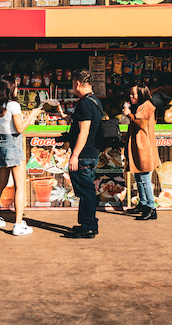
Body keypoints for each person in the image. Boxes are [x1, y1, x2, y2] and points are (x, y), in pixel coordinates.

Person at [0, 75, 41, 236]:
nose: (18, 89)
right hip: (13, 145)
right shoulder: (14, 105)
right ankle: (18, 225)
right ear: (11, 89)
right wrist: (32, 115)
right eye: (16, 86)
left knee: (0, 184)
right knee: (19, 186)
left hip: (1, 145)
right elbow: (20, 128)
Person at [57, 69, 103, 238]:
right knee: (86, 191)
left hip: (84, 155)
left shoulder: (84, 104)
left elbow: (84, 131)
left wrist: (75, 155)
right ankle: (87, 223)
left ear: (77, 83)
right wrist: (63, 116)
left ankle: (88, 227)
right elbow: (81, 123)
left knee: (86, 192)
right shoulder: (94, 101)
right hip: (91, 153)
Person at [123, 83, 160, 220]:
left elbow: (141, 124)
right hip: (139, 147)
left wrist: (129, 115)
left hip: (145, 148)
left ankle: (151, 208)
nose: (131, 96)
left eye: (134, 94)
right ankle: (143, 204)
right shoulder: (141, 106)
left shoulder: (147, 106)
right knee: (139, 178)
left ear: (142, 94)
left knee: (144, 179)